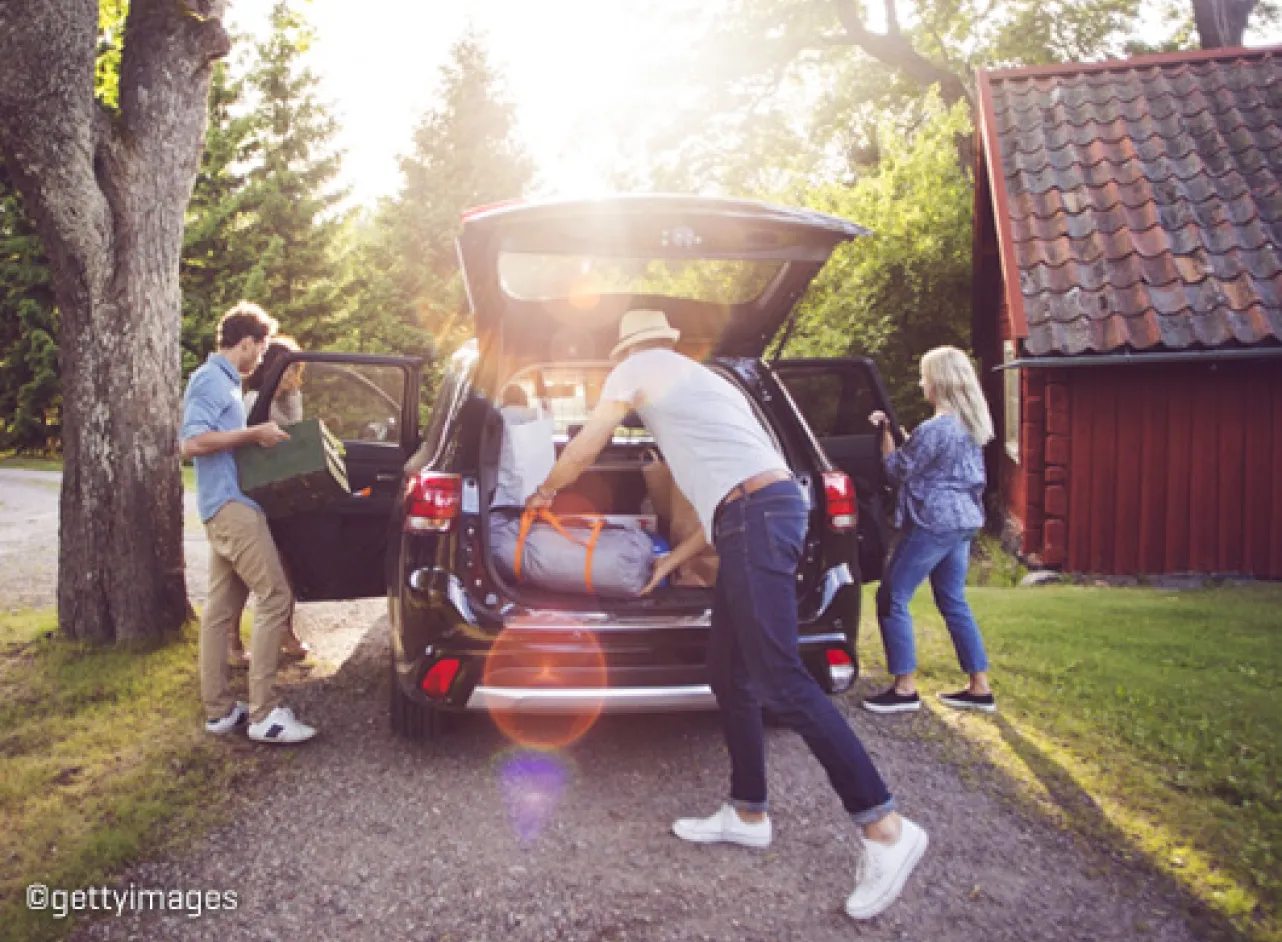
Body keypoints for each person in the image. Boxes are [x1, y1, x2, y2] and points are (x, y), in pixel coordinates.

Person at [525, 308, 928, 921]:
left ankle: (885, 828)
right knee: (728, 672)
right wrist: (671, 561)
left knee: (781, 679)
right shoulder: (708, 382)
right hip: (756, 514)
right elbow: (731, 499)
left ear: (626, 352)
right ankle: (747, 812)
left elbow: (587, 445)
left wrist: (545, 491)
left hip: (757, 517)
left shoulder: (636, 367)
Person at [180, 301, 317, 745]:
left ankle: (220, 711)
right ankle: (265, 714)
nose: (260, 359)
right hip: (231, 508)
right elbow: (192, 443)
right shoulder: (210, 380)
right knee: (275, 595)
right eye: (260, 349)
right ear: (245, 342)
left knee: (219, 612)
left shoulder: (226, 383)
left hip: (226, 504)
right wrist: (254, 434)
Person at [862, 346, 996, 715]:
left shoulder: (936, 429)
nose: (921, 383)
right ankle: (979, 687)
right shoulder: (970, 424)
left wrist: (885, 436)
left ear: (938, 381)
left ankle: (904, 689)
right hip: (964, 520)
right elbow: (930, 462)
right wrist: (904, 438)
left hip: (934, 522)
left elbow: (896, 471)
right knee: (952, 599)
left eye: (924, 376)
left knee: (892, 596)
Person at [233, 335, 311, 663]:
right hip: (255, 493)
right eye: (290, 369)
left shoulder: (288, 400)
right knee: (245, 574)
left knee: (285, 564)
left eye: (297, 370)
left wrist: (290, 393)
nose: (295, 377)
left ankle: (285, 631)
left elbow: (295, 432)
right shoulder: (253, 400)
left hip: (281, 493)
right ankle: (233, 641)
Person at [243, 336, 304, 426]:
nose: (290, 373)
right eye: (285, 367)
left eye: (294, 368)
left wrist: (293, 395)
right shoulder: (254, 400)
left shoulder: (284, 403)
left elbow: (298, 429)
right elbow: (291, 427)